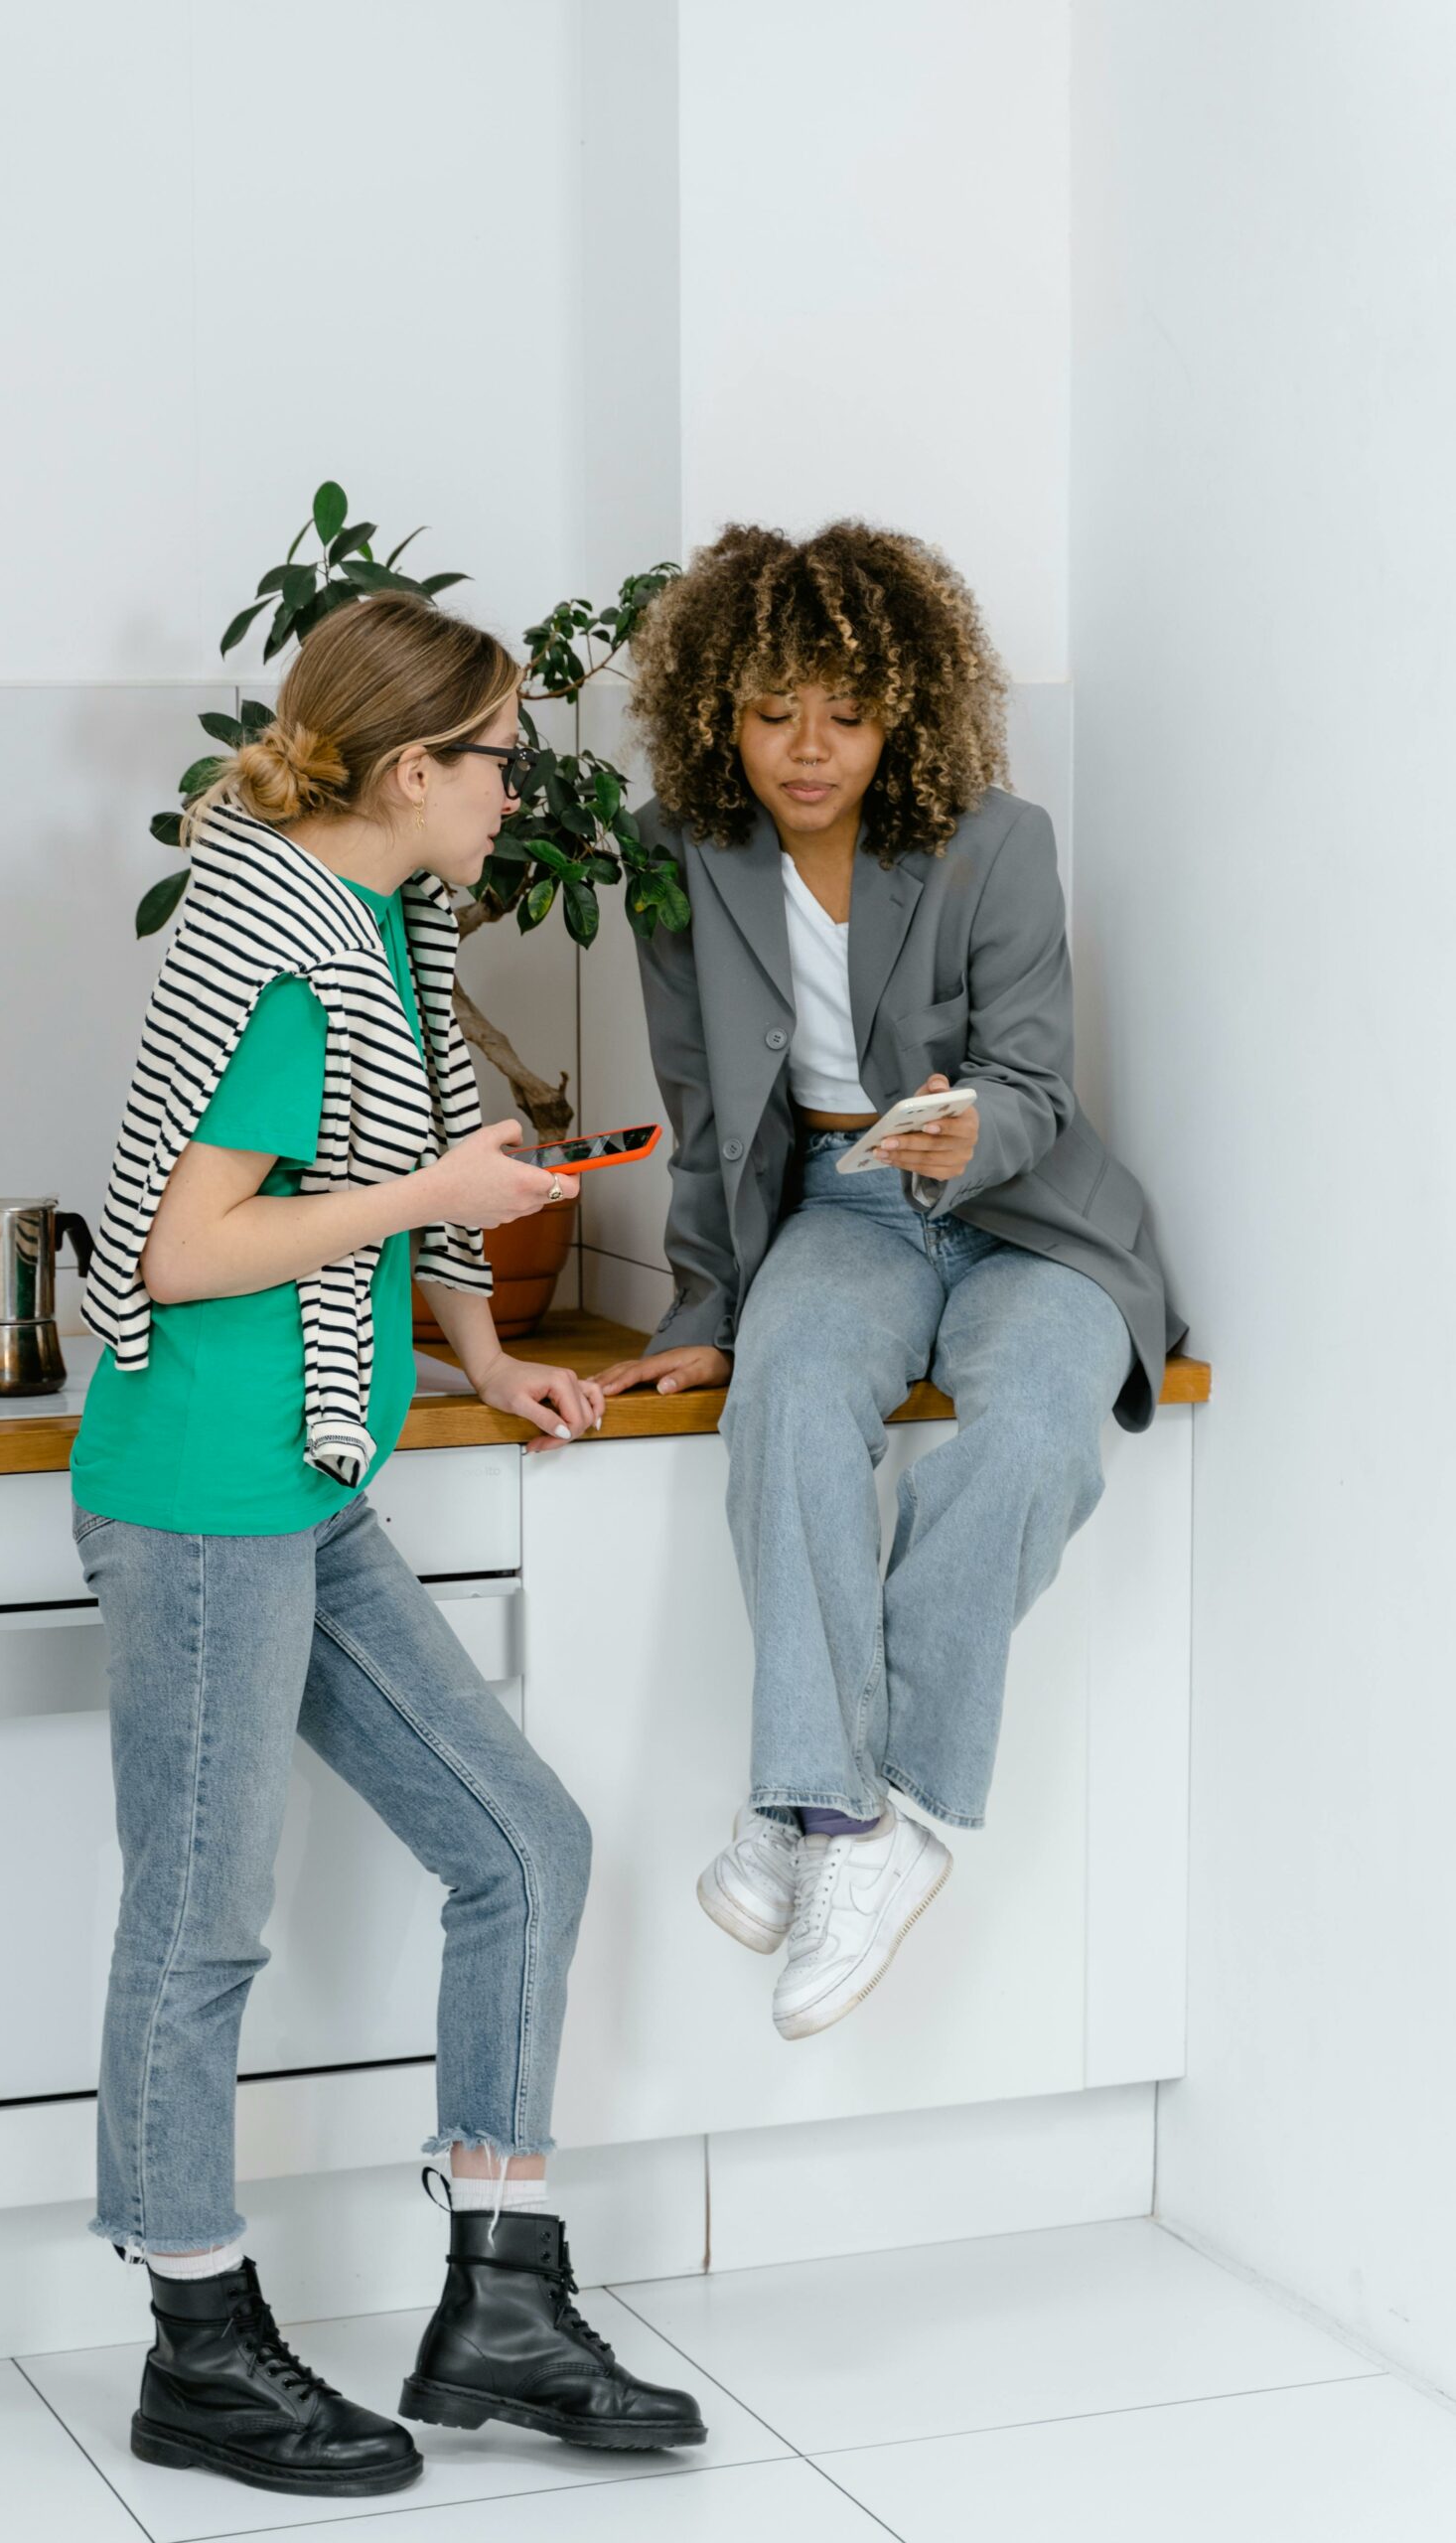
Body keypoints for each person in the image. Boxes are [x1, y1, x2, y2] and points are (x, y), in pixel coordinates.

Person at [71, 592, 704, 2501]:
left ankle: (500, 2299)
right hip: (195, 1488)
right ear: (414, 765)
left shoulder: (376, 926)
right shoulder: (275, 949)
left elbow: (389, 1162)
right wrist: (442, 1195)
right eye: (504, 755)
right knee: (201, 1927)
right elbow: (184, 1254)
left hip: (305, 1479)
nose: (520, 791)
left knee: (524, 1840)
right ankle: (198, 2343)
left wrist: (490, 1351)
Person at [598, 521, 1185, 2044]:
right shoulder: (678, 851)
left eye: (845, 715)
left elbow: (1038, 1081)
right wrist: (708, 1308)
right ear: (717, 708)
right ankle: (851, 1826)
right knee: (787, 1398)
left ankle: (825, 1802)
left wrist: (973, 1131)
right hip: (842, 1208)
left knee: (1033, 1424)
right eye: (773, 710)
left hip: (1025, 1214)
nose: (808, 750)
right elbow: (709, 1108)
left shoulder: (998, 840)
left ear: (902, 713)